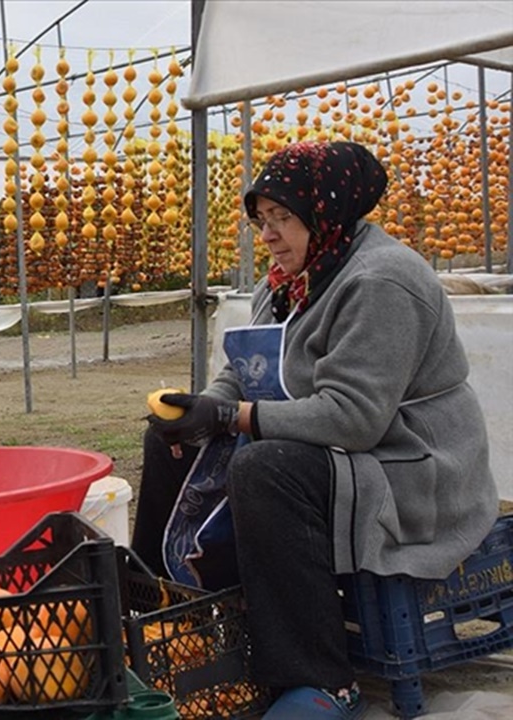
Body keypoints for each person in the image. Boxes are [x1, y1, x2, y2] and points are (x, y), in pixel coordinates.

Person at [132, 141, 497, 719]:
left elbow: (354, 418)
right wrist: (202, 409)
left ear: (328, 214)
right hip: (335, 450)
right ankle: (168, 620)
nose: (270, 236)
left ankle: (323, 679)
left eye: (284, 219)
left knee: (265, 465)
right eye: (262, 222)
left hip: (410, 466)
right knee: (171, 442)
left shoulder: (382, 281)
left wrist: (234, 418)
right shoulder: (285, 282)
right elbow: (245, 371)